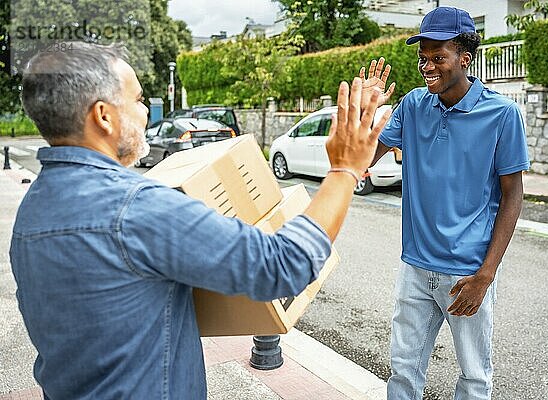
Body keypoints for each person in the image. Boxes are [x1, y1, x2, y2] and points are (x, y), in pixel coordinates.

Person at [10, 41, 391, 399]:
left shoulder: (32, 211)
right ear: (104, 116)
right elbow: (282, 266)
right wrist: (344, 168)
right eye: (139, 100)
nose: (145, 112)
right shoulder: (135, 208)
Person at [361, 7, 530, 400]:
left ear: (464, 59)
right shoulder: (414, 105)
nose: (428, 66)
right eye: (423, 58)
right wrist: (364, 114)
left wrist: (486, 275)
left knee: (474, 377)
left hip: (468, 273)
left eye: (438, 57)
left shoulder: (502, 114)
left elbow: (512, 196)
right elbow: (364, 157)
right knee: (403, 371)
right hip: (415, 266)